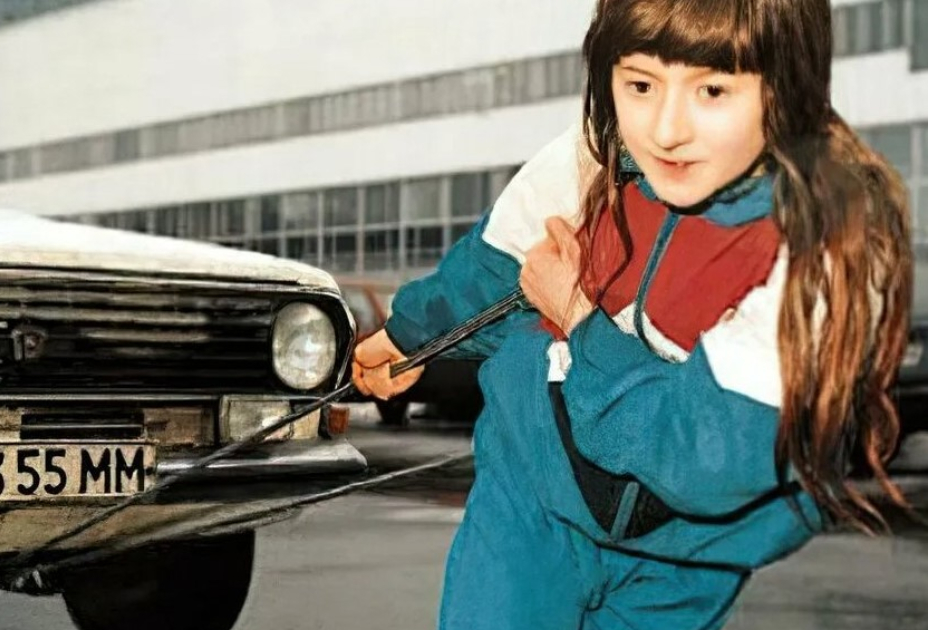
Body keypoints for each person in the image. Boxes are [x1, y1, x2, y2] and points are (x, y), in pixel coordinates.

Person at [351, 0, 913, 627]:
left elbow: (704, 455)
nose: (666, 131)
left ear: (788, 83)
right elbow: (494, 264)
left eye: (712, 90)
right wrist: (408, 336)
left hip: (686, 556)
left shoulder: (824, 252)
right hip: (532, 496)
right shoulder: (591, 155)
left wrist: (577, 317)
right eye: (641, 84)